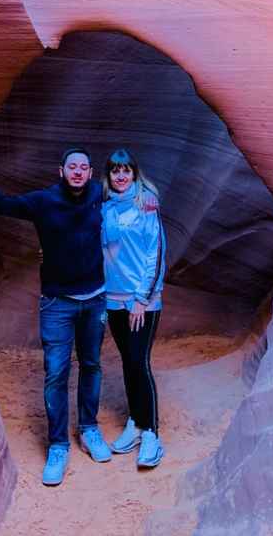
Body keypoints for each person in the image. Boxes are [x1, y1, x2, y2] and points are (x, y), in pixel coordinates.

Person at [0, 146, 112, 486]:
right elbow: (1, 204)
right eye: (71, 166)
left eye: (83, 167)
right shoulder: (43, 201)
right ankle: (58, 445)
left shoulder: (98, 194)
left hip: (95, 299)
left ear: (90, 174)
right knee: (56, 373)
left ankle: (89, 429)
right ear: (60, 171)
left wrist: (148, 202)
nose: (77, 171)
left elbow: (130, 195)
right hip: (57, 303)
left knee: (92, 365)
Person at [101, 148, 167, 468]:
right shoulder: (104, 208)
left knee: (139, 362)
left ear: (135, 174)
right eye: (116, 171)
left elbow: (156, 253)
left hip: (141, 301)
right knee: (128, 362)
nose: (121, 176)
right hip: (112, 300)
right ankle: (135, 422)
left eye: (127, 170)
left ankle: (151, 433)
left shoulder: (146, 204)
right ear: (109, 175)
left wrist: (141, 298)